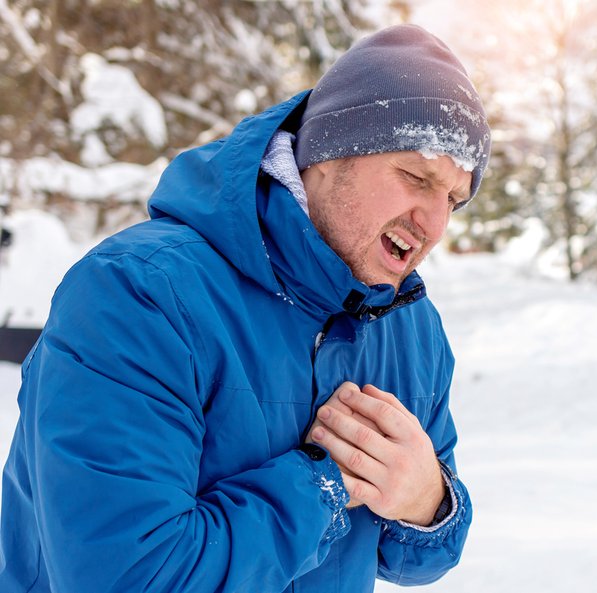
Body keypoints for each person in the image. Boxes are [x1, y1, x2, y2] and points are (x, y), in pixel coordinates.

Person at [0, 24, 490, 593]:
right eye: (415, 177)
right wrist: (326, 483)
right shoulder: (140, 295)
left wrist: (428, 499)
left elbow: (417, 557)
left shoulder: (409, 325)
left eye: (453, 199)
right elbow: (125, 578)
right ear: (329, 154)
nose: (434, 226)